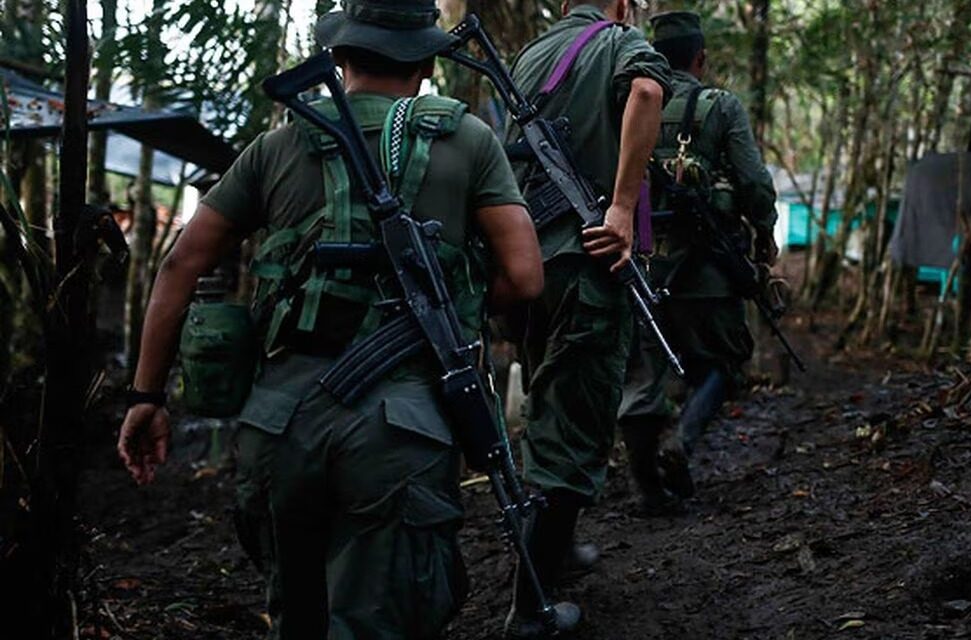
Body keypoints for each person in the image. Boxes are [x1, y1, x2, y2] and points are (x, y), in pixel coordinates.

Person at [116, 1, 544, 637]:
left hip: (280, 426)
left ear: (340, 56)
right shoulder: (469, 140)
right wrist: (451, 302)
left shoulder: (279, 145)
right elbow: (525, 276)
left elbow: (180, 264)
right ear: (427, 59)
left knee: (299, 617)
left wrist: (147, 395)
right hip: (404, 431)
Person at [503, 0, 671, 636]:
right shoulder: (621, 42)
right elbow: (649, 91)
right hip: (586, 260)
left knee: (550, 406)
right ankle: (530, 609)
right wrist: (624, 205)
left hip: (527, 266)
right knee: (574, 424)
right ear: (623, 4)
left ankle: (559, 549)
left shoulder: (531, 55)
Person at [617, 10, 779, 508]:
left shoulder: (627, 102)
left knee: (645, 376)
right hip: (707, 267)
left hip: (641, 265)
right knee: (723, 363)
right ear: (700, 58)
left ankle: (647, 487)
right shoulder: (719, 107)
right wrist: (764, 237)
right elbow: (752, 182)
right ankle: (680, 443)